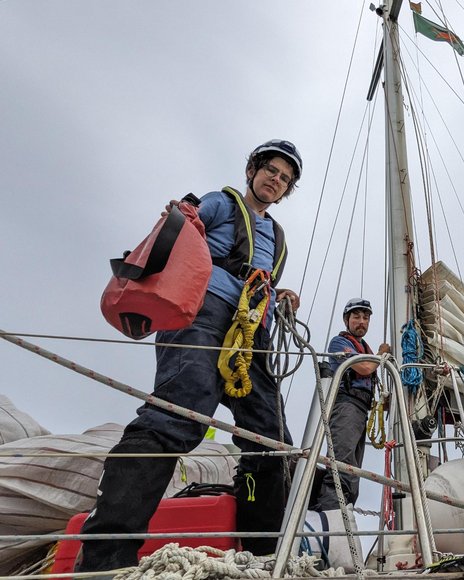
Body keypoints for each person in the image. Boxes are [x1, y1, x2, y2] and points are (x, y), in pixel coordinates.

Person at [77, 140, 303, 574]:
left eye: (285, 178)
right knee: (178, 415)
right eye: (271, 170)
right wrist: (184, 216)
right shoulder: (221, 202)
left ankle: (262, 556)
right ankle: (106, 556)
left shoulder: (278, 237)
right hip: (202, 314)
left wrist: (279, 293)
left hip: (252, 331)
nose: (276, 180)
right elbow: (183, 228)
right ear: (254, 170)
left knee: (271, 439)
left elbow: (261, 278)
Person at [310, 298, 390, 511]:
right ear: (347, 320)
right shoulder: (340, 343)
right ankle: (329, 513)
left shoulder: (364, 348)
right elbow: (363, 368)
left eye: (365, 318)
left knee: (353, 473)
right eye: (356, 317)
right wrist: (381, 355)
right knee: (341, 466)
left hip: (361, 411)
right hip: (346, 407)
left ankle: (345, 512)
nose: (361, 321)